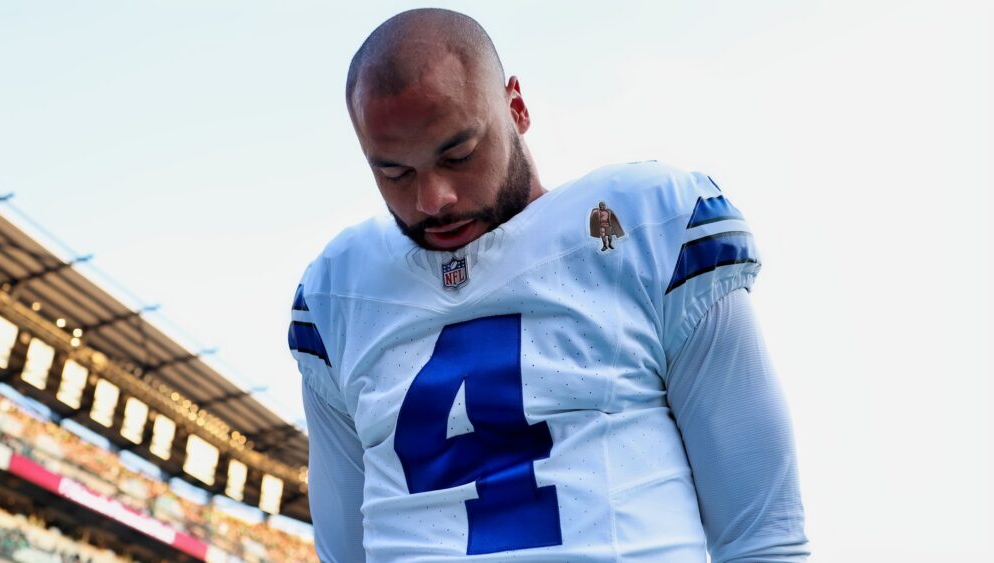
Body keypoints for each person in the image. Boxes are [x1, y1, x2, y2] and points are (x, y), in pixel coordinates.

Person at [290, 8, 809, 562]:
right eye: (395, 173)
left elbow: (763, 534)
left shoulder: (648, 223)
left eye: (458, 154)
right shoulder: (337, 294)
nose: (432, 199)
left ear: (516, 107)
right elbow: (345, 553)